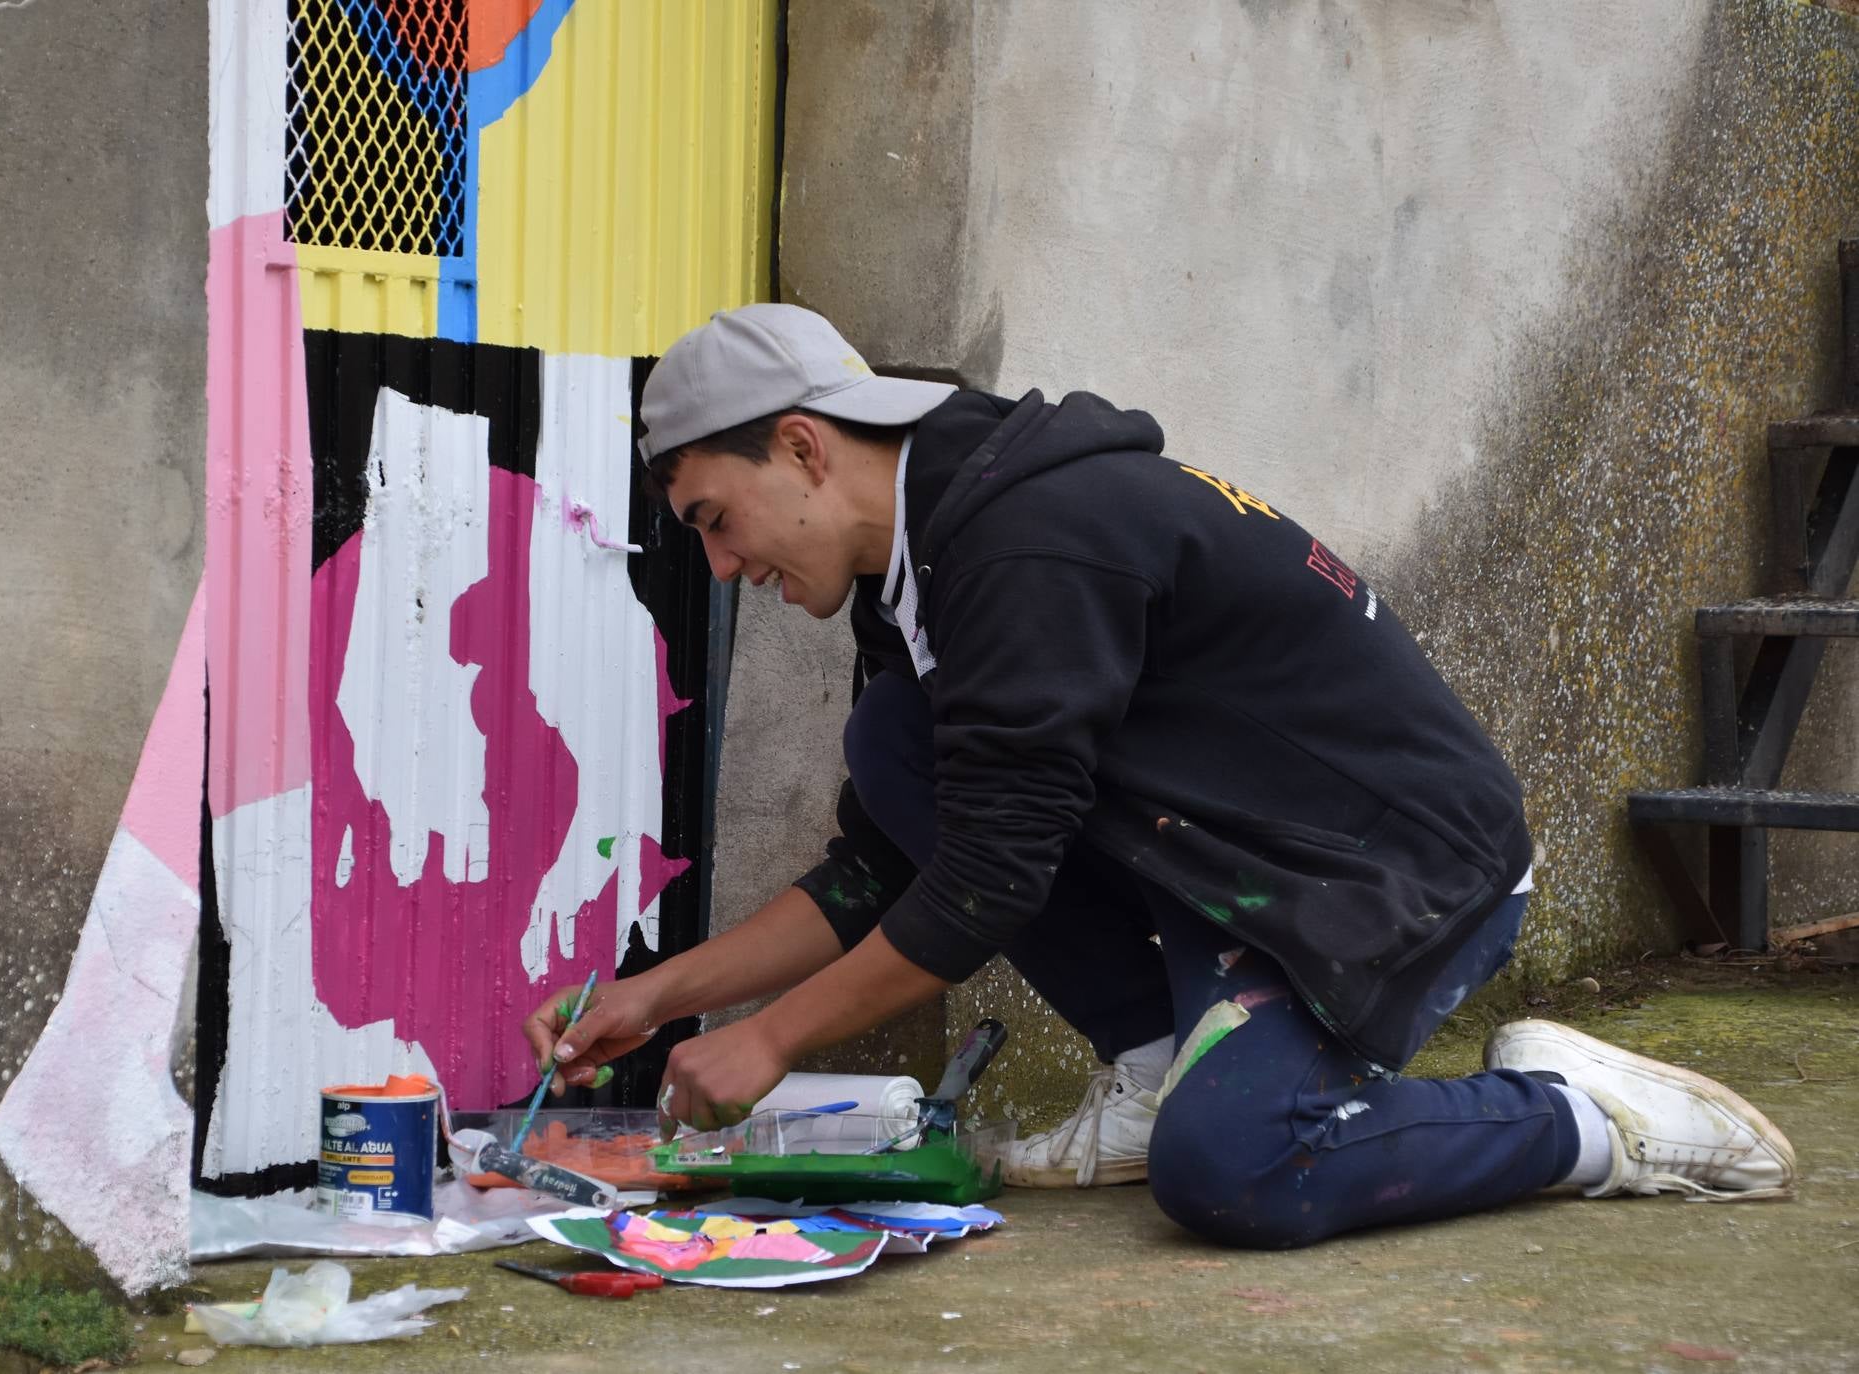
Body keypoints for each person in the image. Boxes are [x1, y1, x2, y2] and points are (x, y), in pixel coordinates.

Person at [522, 304, 1793, 1248]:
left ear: (802, 447)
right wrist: (657, 997)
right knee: (898, 749)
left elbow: (984, 887)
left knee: (1240, 1172)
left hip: (1389, 876)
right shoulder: (913, 570)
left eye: (712, 520)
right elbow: (892, 861)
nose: (726, 565)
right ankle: (1158, 1060)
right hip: (1232, 866)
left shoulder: (1025, 550)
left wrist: (767, 1043)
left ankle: (1574, 1116)